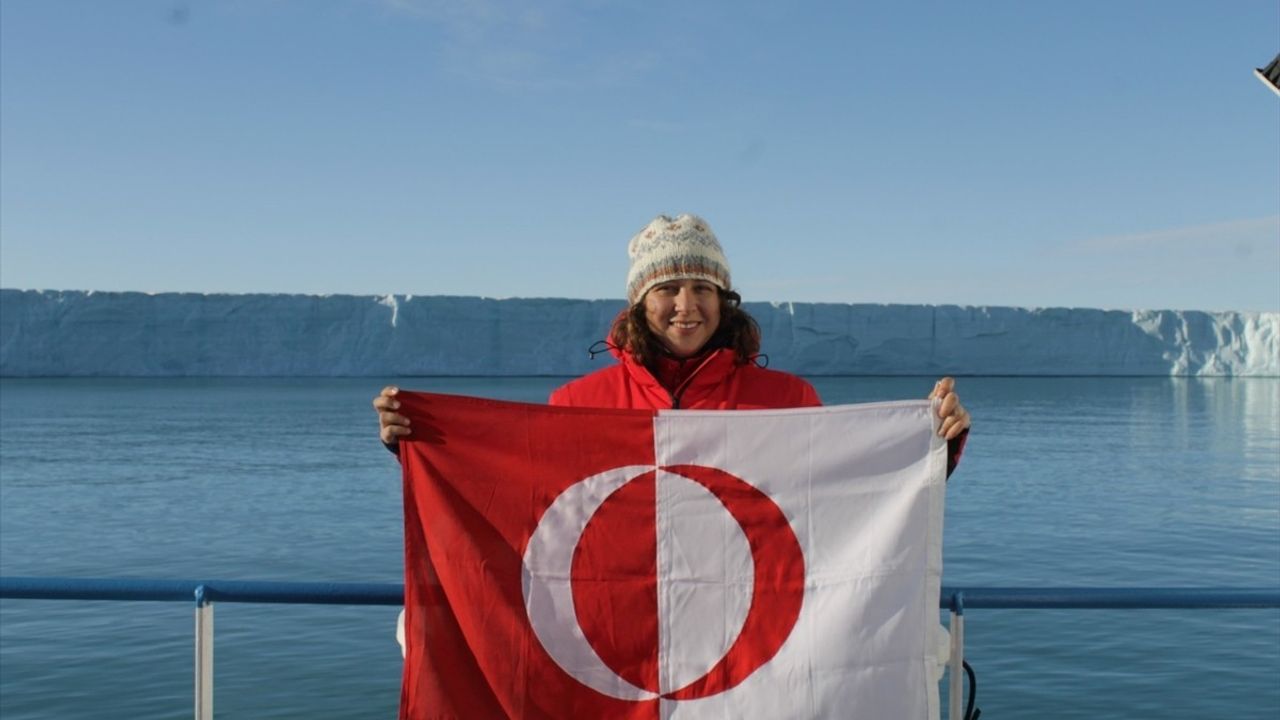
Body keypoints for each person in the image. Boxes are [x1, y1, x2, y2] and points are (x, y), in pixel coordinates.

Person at [375, 212, 970, 466]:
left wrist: (931, 446)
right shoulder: (577, 406)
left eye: (703, 288)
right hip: (625, 626)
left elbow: (852, 492)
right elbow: (514, 490)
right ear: (639, 305)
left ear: (725, 301)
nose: (686, 306)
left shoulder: (788, 400)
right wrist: (421, 443)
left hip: (748, 626)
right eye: (668, 289)